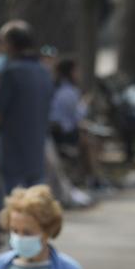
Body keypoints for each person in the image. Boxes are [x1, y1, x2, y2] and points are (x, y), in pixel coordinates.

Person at [0, 20, 54, 194]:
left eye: (2, 42)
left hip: (12, 150)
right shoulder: (44, 71)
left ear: (10, 44)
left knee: (12, 202)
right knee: (35, 201)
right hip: (37, 149)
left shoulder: (11, 72)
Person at [48, 56, 101, 190]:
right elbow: (77, 116)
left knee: (87, 138)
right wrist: (85, 103)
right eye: (77, 71)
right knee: (90, 142)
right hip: (63, 134)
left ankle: (90, 177)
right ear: (71, 72)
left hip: (60, 131)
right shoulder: (69, 92)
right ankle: (93, 178)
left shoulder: (59, 89)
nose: (79, 74)